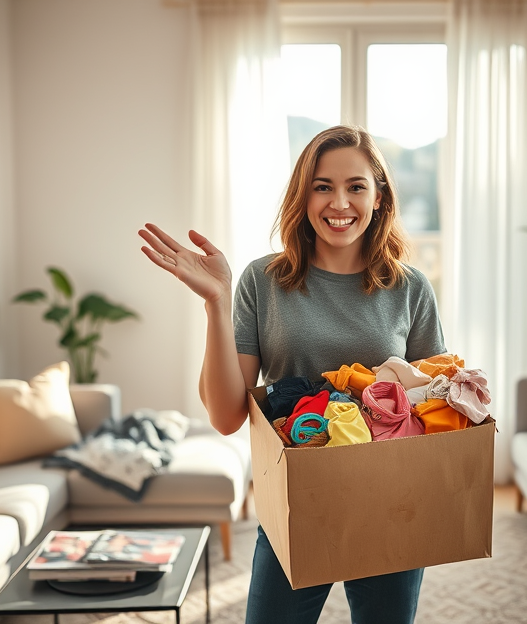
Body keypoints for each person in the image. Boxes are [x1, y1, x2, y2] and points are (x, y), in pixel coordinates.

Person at [139, 125, 445, 624]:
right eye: (322, 185)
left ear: (379, 194)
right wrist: (216, 305)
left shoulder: (409, 287)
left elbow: (435, 404)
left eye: (356, 186)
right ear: (302, 194)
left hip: (389, 500)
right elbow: (225, 416)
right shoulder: (263, 281)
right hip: (296, 503)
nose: (339, 202)